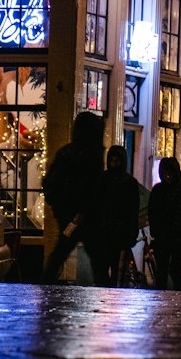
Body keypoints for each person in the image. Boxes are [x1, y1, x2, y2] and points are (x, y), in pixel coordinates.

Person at [41, 111, 105, 282]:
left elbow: (50, 182)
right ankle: (104, 287)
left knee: (62, 249)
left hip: (69, 215)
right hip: (86, 215)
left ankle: (46, 281)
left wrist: (61, 209)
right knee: (96, 257)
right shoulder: (92, 154)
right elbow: (92, 186)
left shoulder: (66, 153)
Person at [91, 145, 140, 286]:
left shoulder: (127, 183)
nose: (114, 164)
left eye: (117, 161)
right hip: (106, 233)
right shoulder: (106, 180)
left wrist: (131, 233)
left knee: (116, 272)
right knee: (104, 271)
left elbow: (133, 211)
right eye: (112, 161)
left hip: (118, 234)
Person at [148, 157, 181, 290]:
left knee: (174, 270)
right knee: (163, 271)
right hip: (163, 237)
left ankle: (178, 294)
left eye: (170, 173)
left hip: (178, 237)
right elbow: (152, 212)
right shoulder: (159, 190)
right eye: (164, 173)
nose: (167, 176)